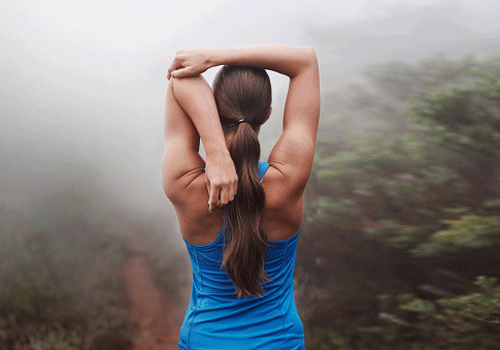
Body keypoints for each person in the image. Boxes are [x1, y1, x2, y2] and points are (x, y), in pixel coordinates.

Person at [162, 45, 320, 350]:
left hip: (205, 341)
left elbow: (179, 78)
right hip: (280, 342)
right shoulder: (286, 182)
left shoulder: (186, 184)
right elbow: (305, 62)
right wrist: (216, 57)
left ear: (210, 111)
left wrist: (216, 150)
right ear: (268, 114)